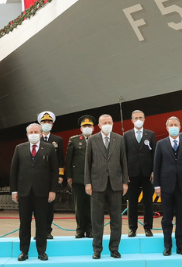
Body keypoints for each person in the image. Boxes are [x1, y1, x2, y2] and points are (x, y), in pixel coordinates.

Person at [11, 123, 58, 262]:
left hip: (42, 192)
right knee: (24, 223)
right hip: (24, 192)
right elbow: (14, 171)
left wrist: (53, 190)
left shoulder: (49, 148)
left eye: (36, 131)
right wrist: (14, 190)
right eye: (31, 132)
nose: (33, 134)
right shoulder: (19, 148)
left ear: (41, 133)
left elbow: (54, 171)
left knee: (42, 223)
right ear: (27, 134)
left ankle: (41, 251)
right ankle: (23, 251)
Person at [84, 114, 128, 260]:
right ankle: (97, 249)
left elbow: (123, 162)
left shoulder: (119, 139)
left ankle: (114, 248)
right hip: (97, 184)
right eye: (105, 122)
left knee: (116, 219)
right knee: (97, 219)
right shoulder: (92, 139)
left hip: (115, 184)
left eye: (110, 122)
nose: (107, 124)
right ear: (99, 125)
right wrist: (88, 183)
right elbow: (87, 163)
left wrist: (124, 182)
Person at [153, 116, 182, 256]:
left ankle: (181, 246)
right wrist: (157, 186)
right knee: (166, 218)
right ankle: (167, 246)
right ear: (167, 128)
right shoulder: (160, 144)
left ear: (180, 126)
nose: (173, 127)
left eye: (175, 124)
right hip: (166, 187)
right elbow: (157, 166)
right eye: (171, 124)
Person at [124, 110, 155, 238]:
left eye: (140, 117)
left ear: (144, 119)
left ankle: (148, 228)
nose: (138, 119)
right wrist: (125, 173)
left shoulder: (151, 134)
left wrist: (154, 170)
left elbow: (154, 154)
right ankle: (132, 228)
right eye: (136, 118)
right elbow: (123, 156)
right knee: (132, 202)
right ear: (131, 120)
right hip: (132, 174)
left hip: (147, 173)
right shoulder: (126, 135)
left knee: (148, 202)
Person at [66, 114, 95, 238]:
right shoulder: (74, 140)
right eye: (85, 126)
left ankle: (90, 229)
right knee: (79, 206)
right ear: (81, 129)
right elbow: (69, 160)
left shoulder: (97, 140)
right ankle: (79, 229)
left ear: (93, 128)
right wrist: (69, 176)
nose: (87, 128)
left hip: (93, 178)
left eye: (89, 125)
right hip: (78, 178)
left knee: (91, 205)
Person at [37, 111, 65, 239]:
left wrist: (60, 176)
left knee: (49, 205)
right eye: (44, 122)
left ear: (52, 125)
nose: (46, 124)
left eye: (49, 122)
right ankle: (39, 231)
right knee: (38, 206)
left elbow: (60, 159)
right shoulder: (36, 138)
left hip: (51, 176)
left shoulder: (57, 140)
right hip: (37, 177)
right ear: (40, 124)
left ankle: (48, 230)